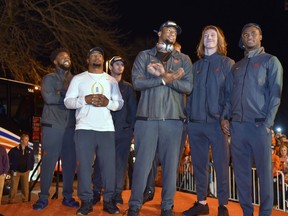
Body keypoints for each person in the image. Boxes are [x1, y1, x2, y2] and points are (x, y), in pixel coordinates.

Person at [127, 20, 193, 216]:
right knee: (142, 165)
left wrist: (165, 76)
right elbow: (137, 82)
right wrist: (165, 79)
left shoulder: (184, 59)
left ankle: (167, 206)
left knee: (171, 167)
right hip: (146, 119)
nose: (172, 33)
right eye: (168, 30)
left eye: (175, 31)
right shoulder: (144, 56)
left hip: (173, 120)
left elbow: (188, 87)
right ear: (159, 33)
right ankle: (134, 204)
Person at [221, 23, 283, 216]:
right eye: (245, 34)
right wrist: (225, 117)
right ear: (242, 39)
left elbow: (275, 94)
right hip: (238, 128)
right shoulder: (237, 67)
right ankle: (247, 212)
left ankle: (265, 213)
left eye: (253, 33)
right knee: (241, 175)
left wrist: (268, 124)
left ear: (260, 36)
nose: (249, 36)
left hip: (259, 126)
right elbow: (229, 96)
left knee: (264, 174)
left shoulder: (271, 61)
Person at [64, 47, 124, 215]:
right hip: (84, 128)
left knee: (109, 168)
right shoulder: (78, 79)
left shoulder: (111, 80)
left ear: (103, 60)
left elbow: (119, 103)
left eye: (99, 55)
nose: (96, 57)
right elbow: (68, 101)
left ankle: (109, 201)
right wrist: (85, 99)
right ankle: (86, 201)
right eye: (93, 55)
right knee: (84, 167)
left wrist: (107, 103)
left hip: (106, 128)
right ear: (87, 59)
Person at [183, 25, 234, 216]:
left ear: (219, 40)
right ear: (202, 41)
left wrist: (225, 117)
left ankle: (223, 205)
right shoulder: (194, 66)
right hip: (195, 124)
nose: (209, 38)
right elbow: (189, 94)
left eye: (213, 35)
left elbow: (231, 94)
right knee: (199, 165)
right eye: (206, 35)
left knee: (221, 165)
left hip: (217, 124)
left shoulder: (228, 63)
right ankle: (202, 203)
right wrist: (188, 117)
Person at [33, 48, 79, 210]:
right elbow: (49, 98)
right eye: (62, 56)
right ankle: (43, 198)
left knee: (69, 165)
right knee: (48, 163)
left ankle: (68, 197)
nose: (66, 58)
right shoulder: (49, 78)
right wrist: (68, 97)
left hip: (70, 128)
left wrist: (61, 94)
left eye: (68, 56)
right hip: (52, 127)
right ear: (55, 61)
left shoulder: (76, 79)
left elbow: (78, 100)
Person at [142, 40, 186, 205]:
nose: (176, 54)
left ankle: (169, 198)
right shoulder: (158, 72)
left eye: (179, 51)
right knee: (151, 157)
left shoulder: (184, 73)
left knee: (172, 162)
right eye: (174, 50)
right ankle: (149, 188)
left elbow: (189, 93)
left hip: (178, 122)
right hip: (158, 119)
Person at [92, 55, 137, 205]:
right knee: (100, 162)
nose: (120, 67)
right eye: (116, 64)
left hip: (123, 132)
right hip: (104, 130)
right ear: (110, 67)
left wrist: (130, 130)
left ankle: (117, 193)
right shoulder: (103, 83)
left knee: (120, 163)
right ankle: (96, 191)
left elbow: (132, 110)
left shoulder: (128, 88)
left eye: (122, 65)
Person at [8, 133, 35, 203]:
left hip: (26, 172)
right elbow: (8, 160)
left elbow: (32, 160)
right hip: (16, 172)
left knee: (25, 187)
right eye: (26, 140)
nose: (27, 142)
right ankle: (11, 201)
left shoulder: (30, 150)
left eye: (28, 140)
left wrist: (30, 168)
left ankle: (25, 200)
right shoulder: (14, 150)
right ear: (21, 140)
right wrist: (11, 169)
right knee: (13, 187)